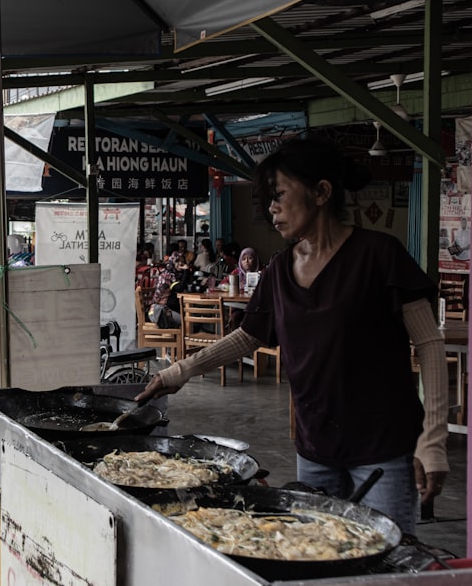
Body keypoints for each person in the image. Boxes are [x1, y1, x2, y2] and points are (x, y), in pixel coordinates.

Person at [135, 137, 448, 534]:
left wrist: (432, 439)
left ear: (321, 192)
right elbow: (248, 336)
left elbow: (430, 345)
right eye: (269, 198)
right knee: (316, 553)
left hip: (382, 448)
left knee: (388, 560)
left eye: (279, 194)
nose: (272, 208)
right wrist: (178, 372)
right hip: (315, 447)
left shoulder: (379, 255)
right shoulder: (280, 269)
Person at [148, 251, 188, 328]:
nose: (180, 263)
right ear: (172, 262)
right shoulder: (167, 275)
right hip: (160, 311)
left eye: (182, 261)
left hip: (170, 308)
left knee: (193, 318)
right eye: (177, 261)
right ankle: (181, 339)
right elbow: (180, 288)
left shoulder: (176, 274)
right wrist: (186, 270)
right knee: (189, 321)